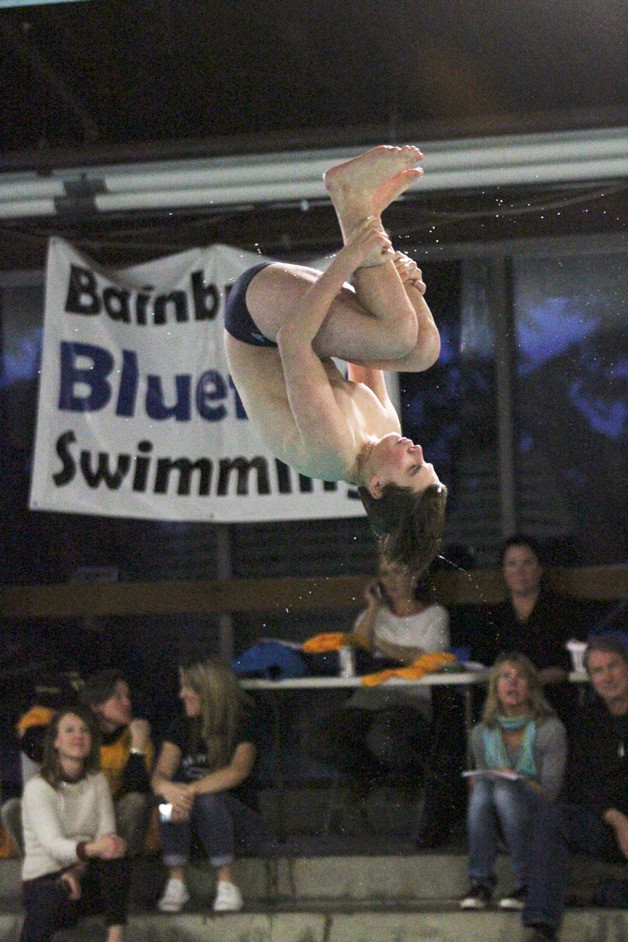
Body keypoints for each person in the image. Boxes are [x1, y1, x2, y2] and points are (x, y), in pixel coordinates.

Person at [225, 144, 447, 574]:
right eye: (426, 462)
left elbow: (293, 341)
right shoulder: (384, 431)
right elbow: (366, 354)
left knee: (397, 334)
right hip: (293, 319)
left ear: (377, 486)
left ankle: (350, 197)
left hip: (255, 319)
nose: (417, 450)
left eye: (413, 467)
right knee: (422, 350)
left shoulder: (332, 453)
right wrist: (407, 285)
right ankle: (365, 213)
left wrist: (348, 259)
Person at [308, 560, 450, 822]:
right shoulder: (371, 617)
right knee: (321, 737)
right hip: (368, 699)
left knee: (384, 737)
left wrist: (381, 645)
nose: (391, 580)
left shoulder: (435, 615)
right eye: (385, 574)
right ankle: (366, 775)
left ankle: (407, 780)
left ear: (415, 576)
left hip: (411, 701)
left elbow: (427, 658)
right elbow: (356, 649)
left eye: (398, 572)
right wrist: (373, 608)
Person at [521, 635, 627, 942]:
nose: (607, 677)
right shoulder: (586, 721)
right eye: (598, 671)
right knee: (551, 817)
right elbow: (580, 783)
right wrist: (619, 821)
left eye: (613, 666)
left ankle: (601, 893)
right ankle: (542, 924)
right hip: (609, 825)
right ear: (590, 678)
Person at [151, 657, 261, 914]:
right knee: (166, 805)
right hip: (191, 823)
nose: (181, 695)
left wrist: (189, 790)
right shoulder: (181, 726)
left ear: (208, 689)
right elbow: (159, 775)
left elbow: (238, 771)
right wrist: (169, 790)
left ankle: (226, 883)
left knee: (208, 800)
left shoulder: (242, 724)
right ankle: (176, 881)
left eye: (188, 687)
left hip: (238, 825)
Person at [460, 653, 567, 912]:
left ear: (531, 687)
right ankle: (481, 882)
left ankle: (528, 882)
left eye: (520, 677)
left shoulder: (549, 729)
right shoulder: (481, 733)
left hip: (540, 812)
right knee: (484, 789)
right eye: (506, 677)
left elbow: (551, 793)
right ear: (495, 687)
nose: (513, 683)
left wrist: (516, 779)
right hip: (499, 814)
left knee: (504, 790)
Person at [20, 706, 129, 942]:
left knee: (115, 855)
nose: (78, 736)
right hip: (45, 877)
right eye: (69, 730)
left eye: (84, 730)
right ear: (56, 741)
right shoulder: (38, 787)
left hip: (83, 873)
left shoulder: (96, 780)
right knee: (54, 893)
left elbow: (106, 832)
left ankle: (115, 938)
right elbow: (54, 845)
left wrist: (78, 870)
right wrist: (93, 850)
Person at [478, 535, 584, 724]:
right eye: (512, 564)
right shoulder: (491, 617)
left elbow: (572, 662)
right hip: (503, 706)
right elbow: (482, 664)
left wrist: (532, 682)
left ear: (540, 568)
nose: (520, 571)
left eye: (527, 563)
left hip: (553, 701)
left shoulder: (564, 610)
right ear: (503, 571)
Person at [79, 670, 154, 857]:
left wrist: (137, 749)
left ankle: (121, 866)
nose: (127, 703)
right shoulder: (80, 736)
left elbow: (137, 790)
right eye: (118, 697)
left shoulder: (136, 735)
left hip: (117, 820)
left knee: (136, 802)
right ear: (96, 705)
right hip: (84, 818)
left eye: (127, 697)